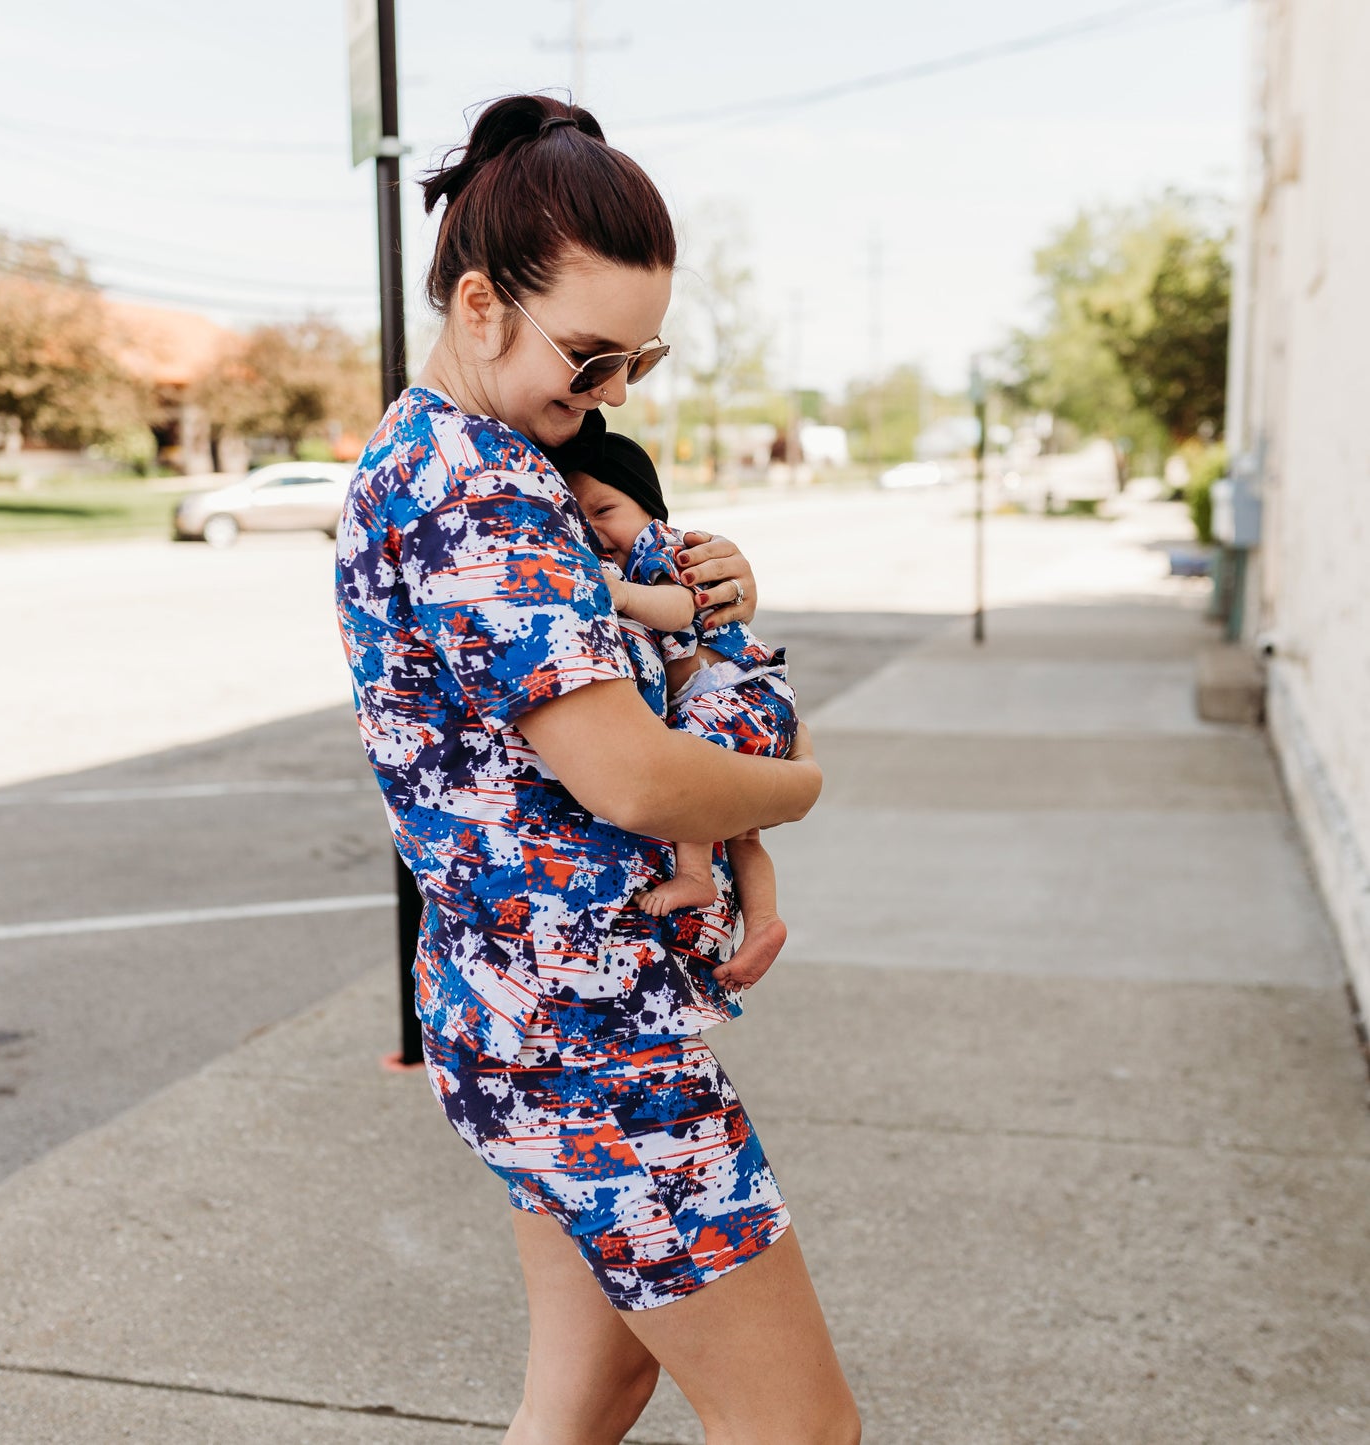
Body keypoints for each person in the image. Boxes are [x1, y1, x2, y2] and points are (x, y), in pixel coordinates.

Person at [336, 93, 859, 1445]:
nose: (612, 394)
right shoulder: (477, 491)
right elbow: (631, 778)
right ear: (477, 306)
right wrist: (797, 793)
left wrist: (708, 618)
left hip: (527, 1017)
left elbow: (650, 700)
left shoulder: (470, 462)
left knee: (594, 1385)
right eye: (588, 356)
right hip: (589, 1043)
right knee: (801, 1430)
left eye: (638, 361)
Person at [549, 409, 790, 988]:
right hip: (760, 703)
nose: (597, 531)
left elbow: (679, 610)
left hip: (725, 701)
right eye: (582, 521)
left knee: (691, 792)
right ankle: (764, 922)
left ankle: (695, 877)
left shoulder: (662, 550)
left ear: (649, 508)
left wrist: (620, 595)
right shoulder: (630, 555)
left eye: (606, 511)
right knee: (742, 831)